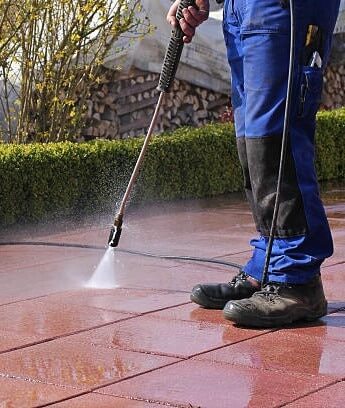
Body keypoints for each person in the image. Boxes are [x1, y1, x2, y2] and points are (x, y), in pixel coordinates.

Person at [167, 0, 341, 327]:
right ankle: (269, 264)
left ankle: (297, 278)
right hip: (242, 7)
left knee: (277, 135)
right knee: (251, 135)